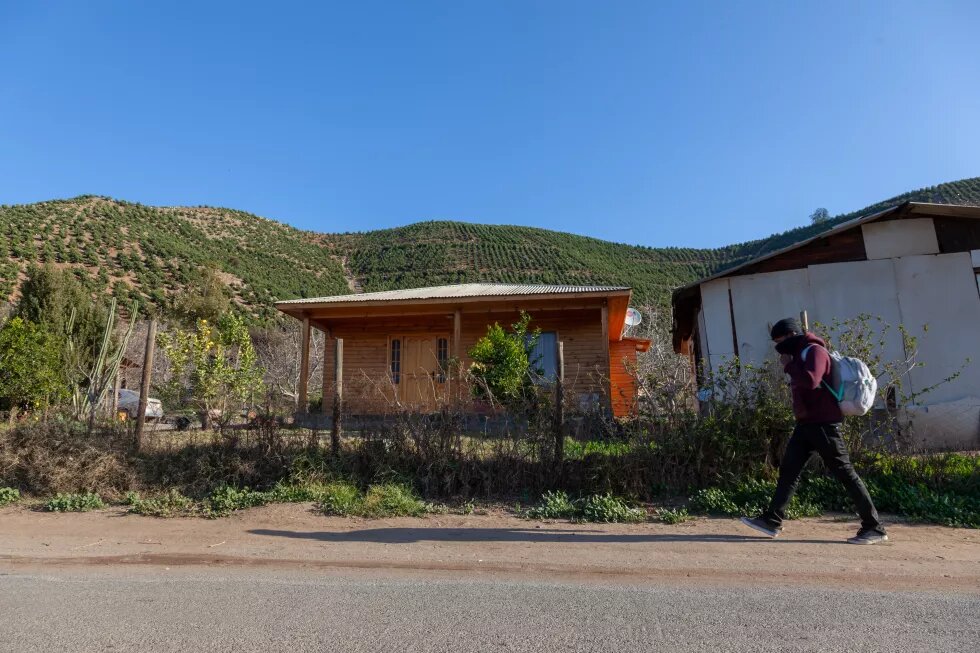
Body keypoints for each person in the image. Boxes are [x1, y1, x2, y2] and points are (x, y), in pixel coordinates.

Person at [740, 317, 888, 545]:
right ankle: (772, 520)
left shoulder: (815, 351)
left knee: (845, 474)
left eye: (779, 341)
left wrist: (789, 365)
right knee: (789, 470)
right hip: (807, 424)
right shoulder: (802, 353)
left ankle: (874, 527)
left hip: (824, 424)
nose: (778, 347)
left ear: (791, 335)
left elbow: (811, 380)